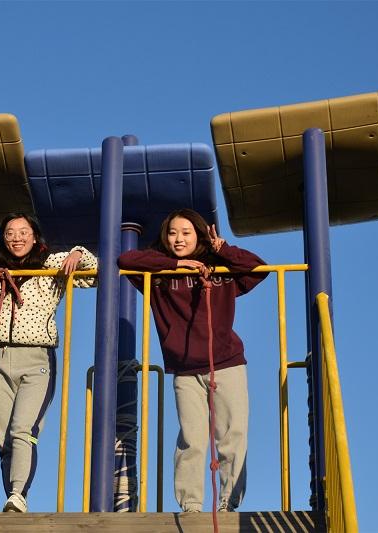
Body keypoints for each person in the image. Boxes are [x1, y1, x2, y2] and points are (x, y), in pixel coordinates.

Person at [117, 208, 267, 513]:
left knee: (232, 434)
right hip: (184, 368)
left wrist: (223, 250)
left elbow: (258, 268)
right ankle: (191, 505)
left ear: (199, 236)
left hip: (227, 362)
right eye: (172, 233)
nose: (178, 239)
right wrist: (175, 264)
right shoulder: (159, 276)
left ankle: (228, 502)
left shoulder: (219, 268)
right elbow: (126, 260)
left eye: (186, 233)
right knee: (191, 438)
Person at [0, 213, 97, 513]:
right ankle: (12, 496)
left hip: (37, 358)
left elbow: (93, 272)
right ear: (3, 238)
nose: (16, 238)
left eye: (23, 232)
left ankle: (19, 493)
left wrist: (78, 253)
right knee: (3, 436)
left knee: (22, 428)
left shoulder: (49, 265)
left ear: (34, 236)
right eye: (9, 233)